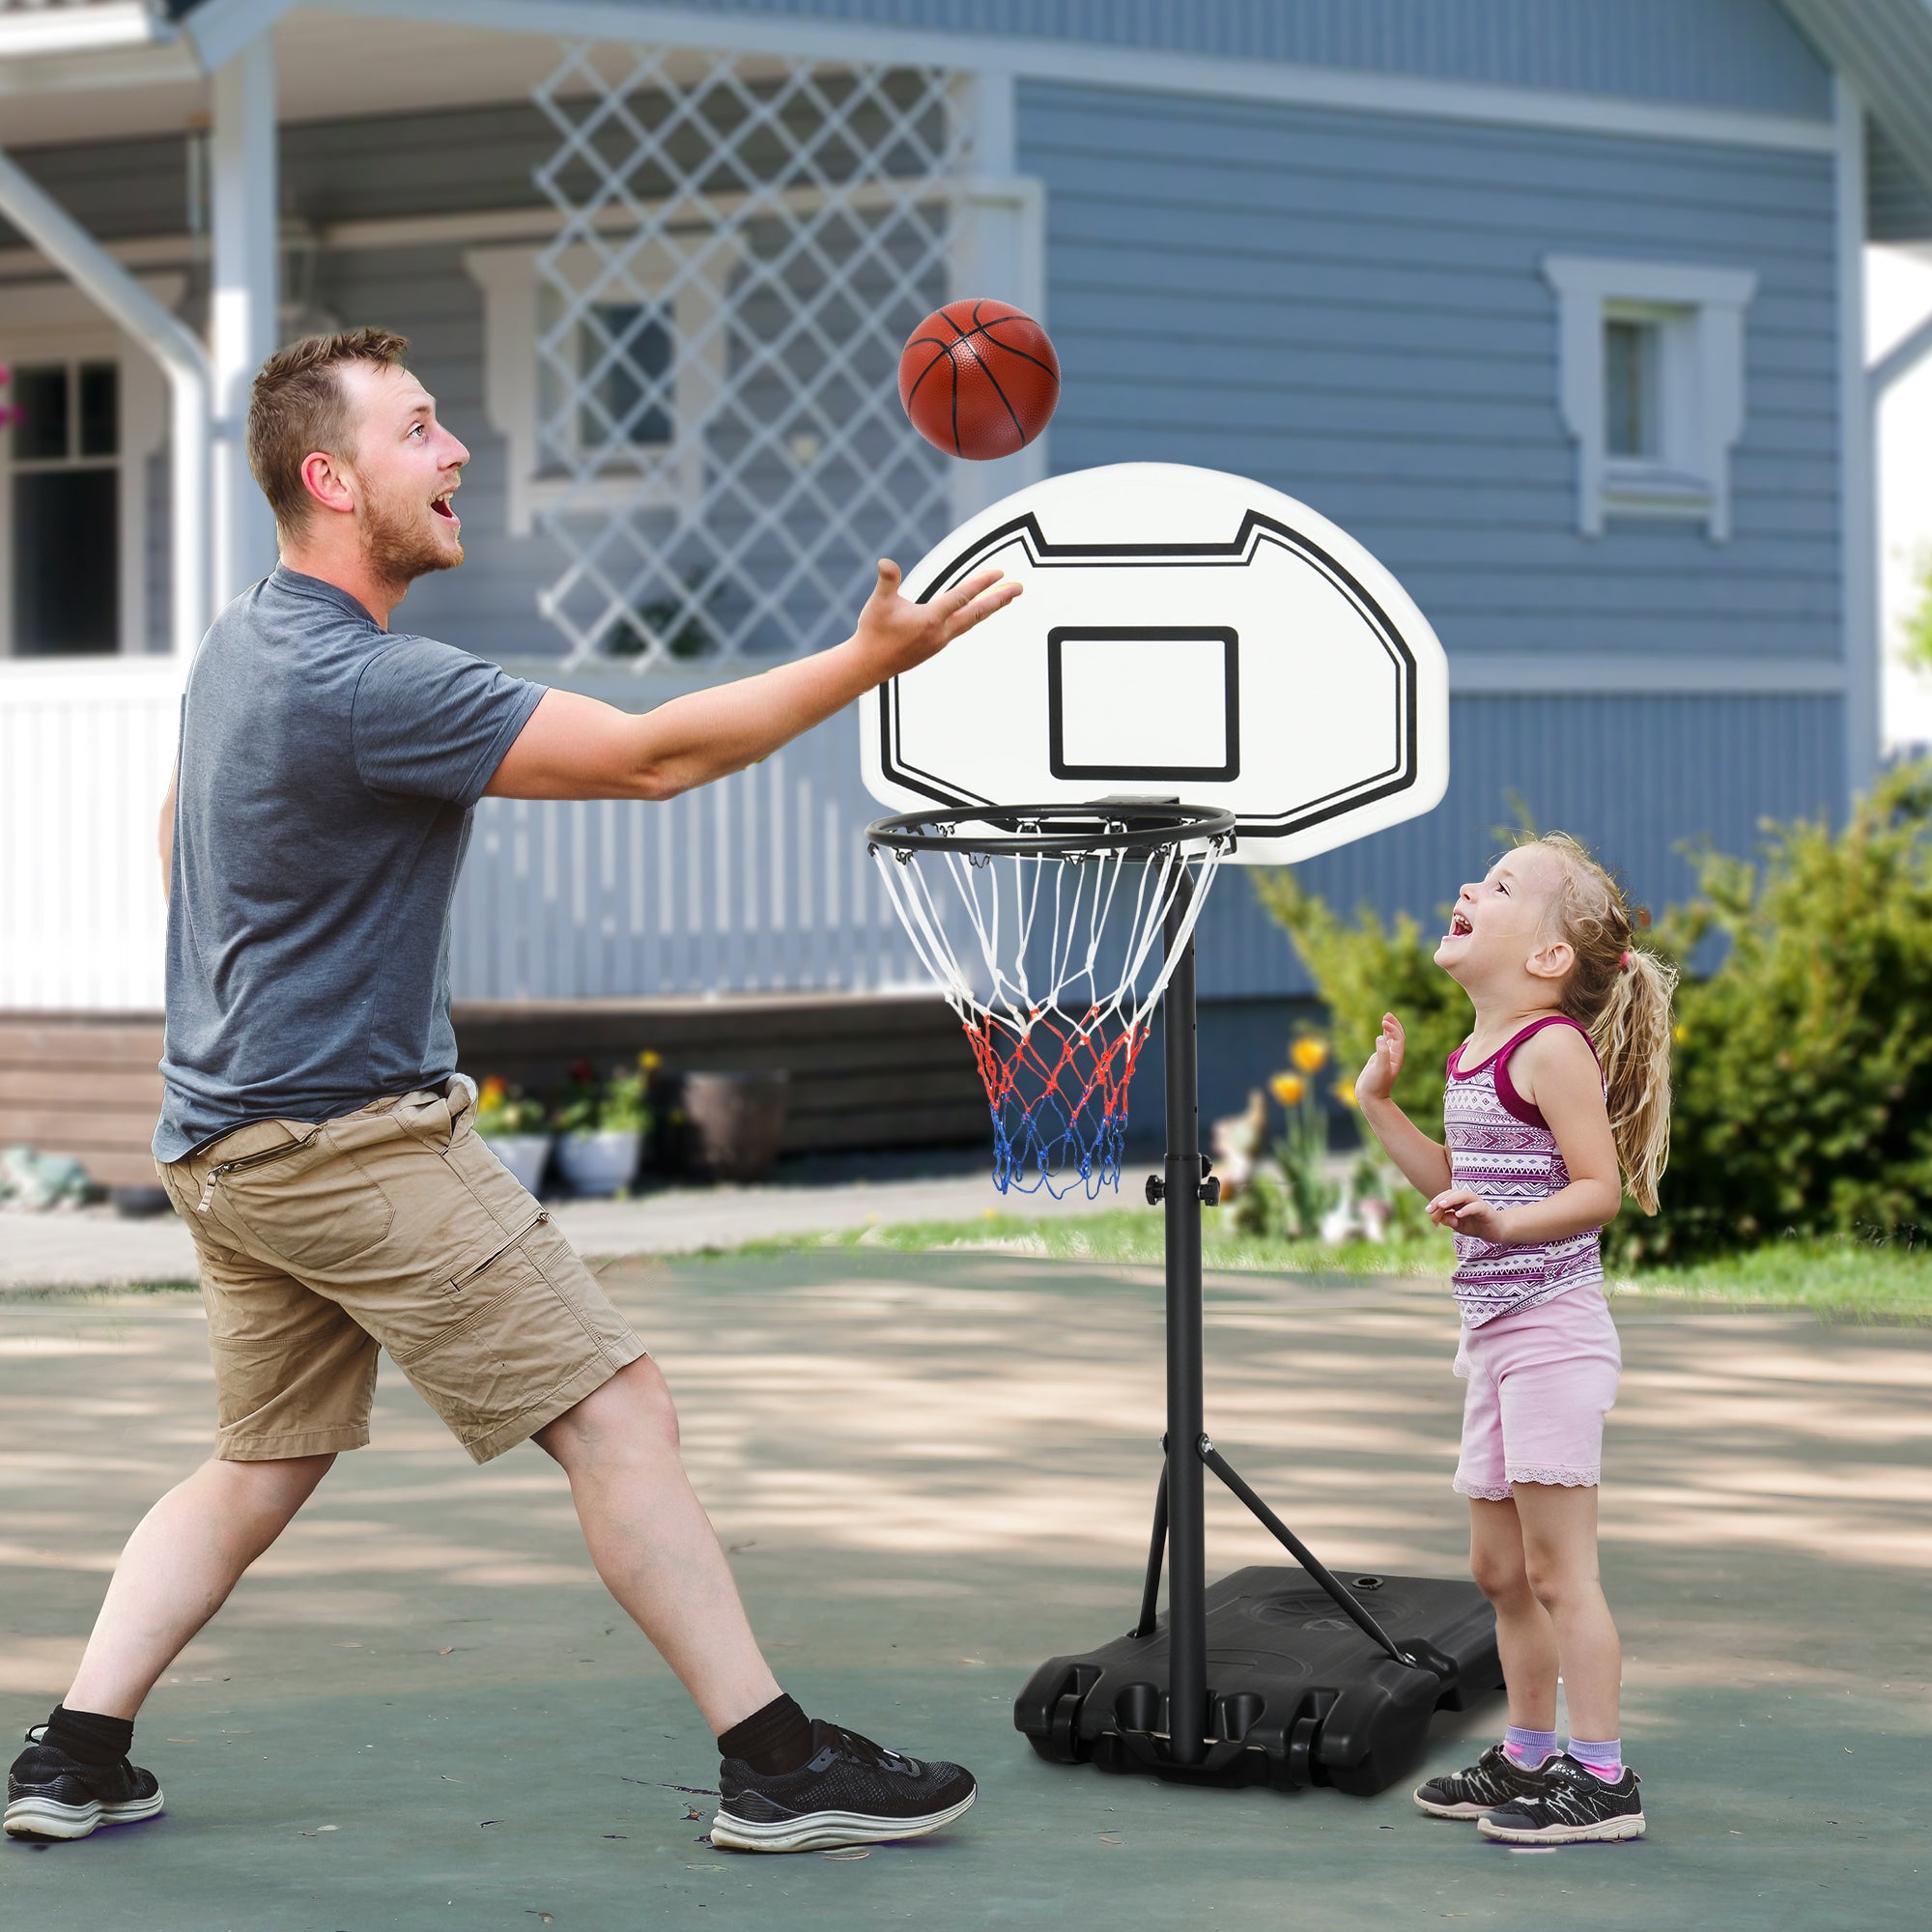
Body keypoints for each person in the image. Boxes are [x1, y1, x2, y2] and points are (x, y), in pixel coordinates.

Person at [4, 327, 1019, 1853]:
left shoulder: (242, 641)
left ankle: (74, 1756)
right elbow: (653, 759)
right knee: (621, 1413)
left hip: (223, 1139)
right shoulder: (365, 681)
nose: (457, 449)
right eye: (420, 430)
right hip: (347, 1142)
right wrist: (867, 664)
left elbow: (176, 837)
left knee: (260, 1463)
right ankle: (777, 1766)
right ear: (334, 478)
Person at [1353, 833, 1675, 1846]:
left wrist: (1500, 1221)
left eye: (1497, 885)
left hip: (1550, 1332)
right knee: (1497, 1571)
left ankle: (1602, 1776)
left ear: (1545, 959)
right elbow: (1456, 1170)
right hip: (1494, 1334)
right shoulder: (1474, 1055)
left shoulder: (1548, 1047)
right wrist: (1375, 1104)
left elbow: (1593, 1190)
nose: (1466, 885)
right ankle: (1528, 1751)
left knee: (1555, 1571)